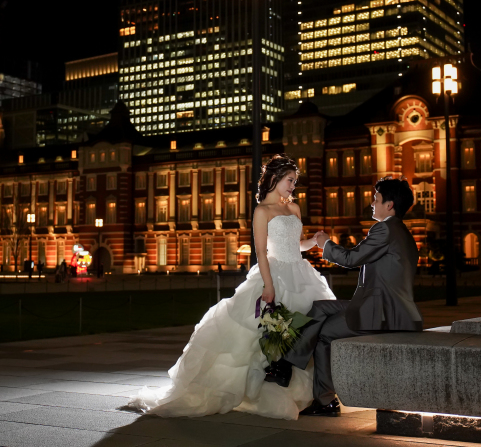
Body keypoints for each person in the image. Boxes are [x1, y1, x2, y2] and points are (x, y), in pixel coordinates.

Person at [128, 154, 335, 420]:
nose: (293, 186)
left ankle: (310, 392)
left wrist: (314, 241)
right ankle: (264, 388)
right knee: (269, 337)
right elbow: (261, 251)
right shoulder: (262, 212)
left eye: (294, 181)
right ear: (274, 179)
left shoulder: (293, 209)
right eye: (289, 180)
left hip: (301, 273)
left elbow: (297, 245)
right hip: (274, 274)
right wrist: (269, 287)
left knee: (306, 331)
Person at [264, 177, 423, 417]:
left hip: (383, 315)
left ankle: (323, 399)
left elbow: (352, 259)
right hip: (385, 308)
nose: (372, 203)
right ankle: (285, 366)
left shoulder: (385, 229)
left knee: (323, 333)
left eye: (376, 199)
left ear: (389, 205)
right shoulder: (402, 233)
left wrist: (326, 243)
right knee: (319, 308)